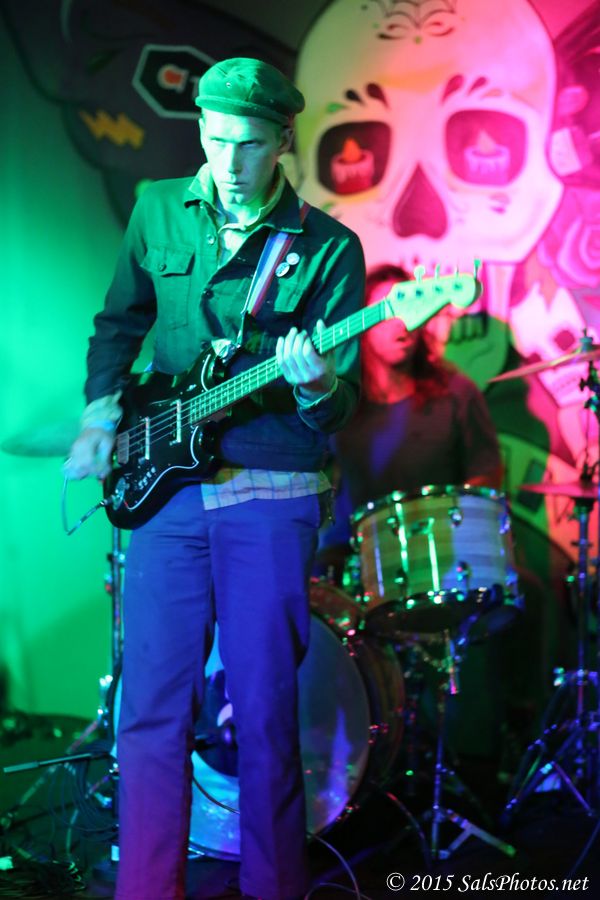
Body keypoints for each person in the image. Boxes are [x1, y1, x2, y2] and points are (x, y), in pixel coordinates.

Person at [65, 57, 365, 900]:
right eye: (216, 138)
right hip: (166, 490)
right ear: (199, 127)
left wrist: (315, 384)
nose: (229, 161)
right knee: (150, 710)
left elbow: (338, 408)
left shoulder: (328, 247)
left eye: (250, 144)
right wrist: (100, 416)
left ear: (284, 141)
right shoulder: (159, 207)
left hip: (272, 493)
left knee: (263, 715)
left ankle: (273, 887)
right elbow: (118, 324)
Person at [318, 263, 503, 577]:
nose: (402, 323)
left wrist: (448, 529)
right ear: (363, 321)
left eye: (413, 308)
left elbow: (486, 476)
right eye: (388, 312)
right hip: (357, 557)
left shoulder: (457, 393)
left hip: (441, 555)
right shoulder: (341, 400)